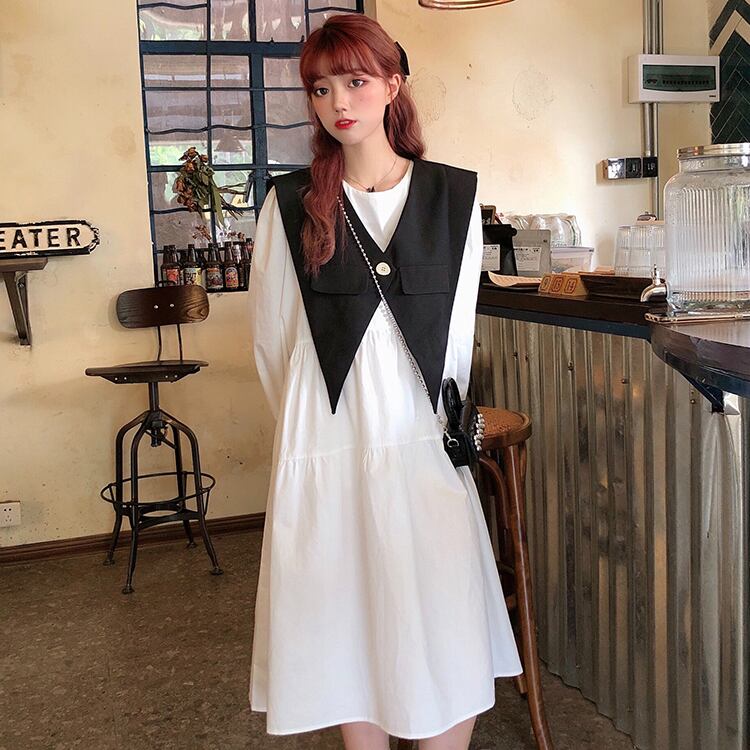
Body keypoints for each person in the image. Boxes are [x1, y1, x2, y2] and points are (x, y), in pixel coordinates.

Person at [247, 13, 521, 750]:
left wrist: (436, 424)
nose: (338, 101)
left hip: (420, 429)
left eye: (356, 81)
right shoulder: (289, 204)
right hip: (328, 430)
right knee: (342, 609)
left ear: (393, 85)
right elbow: (273, 339)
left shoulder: (452, 197)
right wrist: (309, 429)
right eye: (321, 87)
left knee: (442, 605)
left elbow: (456, 336)